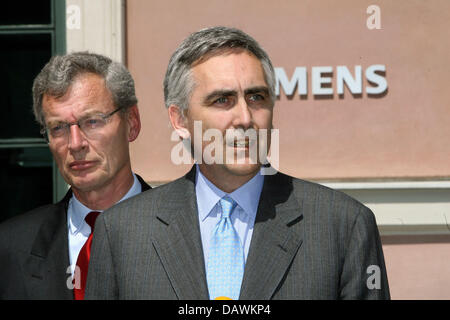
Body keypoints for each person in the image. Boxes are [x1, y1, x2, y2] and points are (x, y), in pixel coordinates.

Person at [85, 27, 390, 299]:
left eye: (256, 97)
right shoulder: (122, 232)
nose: (245, 118)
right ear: (179, 119)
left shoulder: (342, 226)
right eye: (222, 100)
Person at [0, 52, 151, 300]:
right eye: (58, 128)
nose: (75, 143)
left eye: (92, 121)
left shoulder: (189, 233)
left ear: (132, 122)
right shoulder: (11, 248)